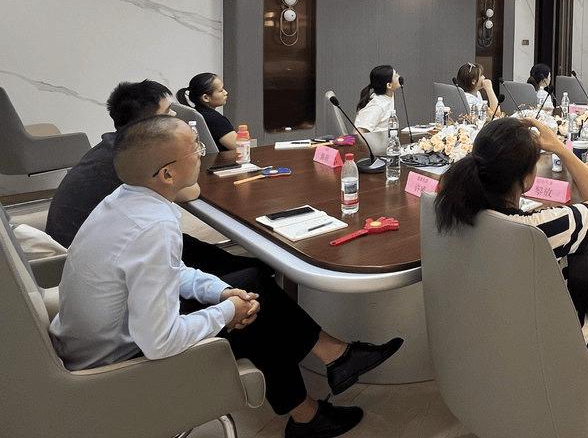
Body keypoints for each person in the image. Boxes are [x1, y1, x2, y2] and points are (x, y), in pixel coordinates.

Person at [49, 115, 403, 437]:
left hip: (100, 337)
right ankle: (319, 394)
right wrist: (227, 312)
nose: (202, 155)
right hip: (116, 364)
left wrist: (221, 293)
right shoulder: (153, 226)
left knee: (248, 287)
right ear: (167, 174)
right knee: (254, 313)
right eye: (195, 150)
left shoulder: (124, 201)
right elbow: (159, 341)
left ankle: (328, 375)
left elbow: (171, 272)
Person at [434, 117, 588, 361]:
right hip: (555, 348)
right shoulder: (542, 228)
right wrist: (560, 148)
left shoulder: (455, 212)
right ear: (526, 178)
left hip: (490, 342)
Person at [46, 80, 244, 276]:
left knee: (203, 251)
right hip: (100, 264)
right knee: (244, 274)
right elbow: (190, 192)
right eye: (168, 111)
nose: (175, 116)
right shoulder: (136, 157)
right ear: (148, 123)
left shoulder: (116, 145)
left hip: (96, 247)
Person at [176, 73, 237, 151]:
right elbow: (241, 147)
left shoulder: (196, 114)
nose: (225, 93)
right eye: (221, 90)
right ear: (206, 98)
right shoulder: (216, 120)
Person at [353, 65, 401, 132]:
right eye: (396, 76)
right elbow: (358, 132)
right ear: (389, 85)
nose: (399, 76)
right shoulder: (377, 105)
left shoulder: (388, 94)